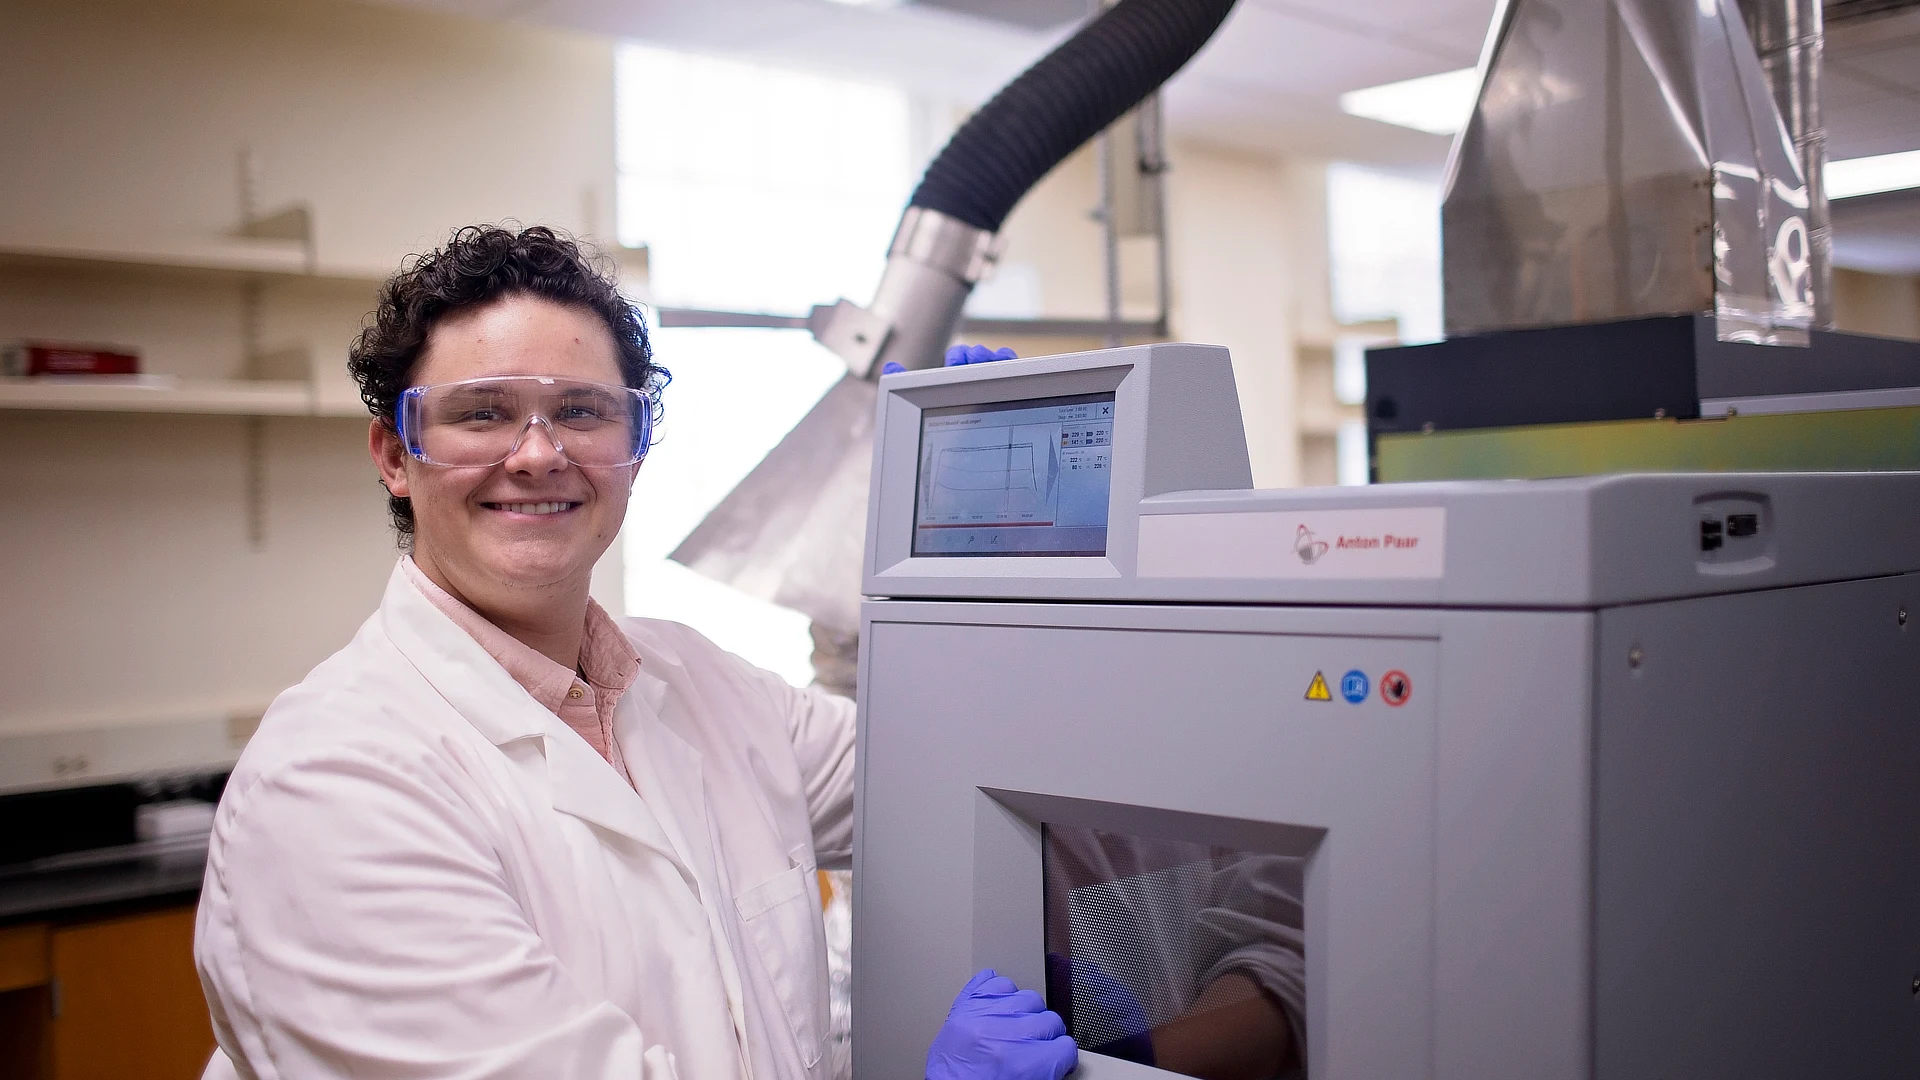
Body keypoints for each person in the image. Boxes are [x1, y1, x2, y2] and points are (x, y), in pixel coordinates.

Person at [192, 224, 1077, 1080]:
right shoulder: (330, 786)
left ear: (637, 448)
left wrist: (989, 557)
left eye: (582, 411)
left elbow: (966, 777)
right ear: (395, 453)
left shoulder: (705, 687)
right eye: (482, 413)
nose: (539, 455)